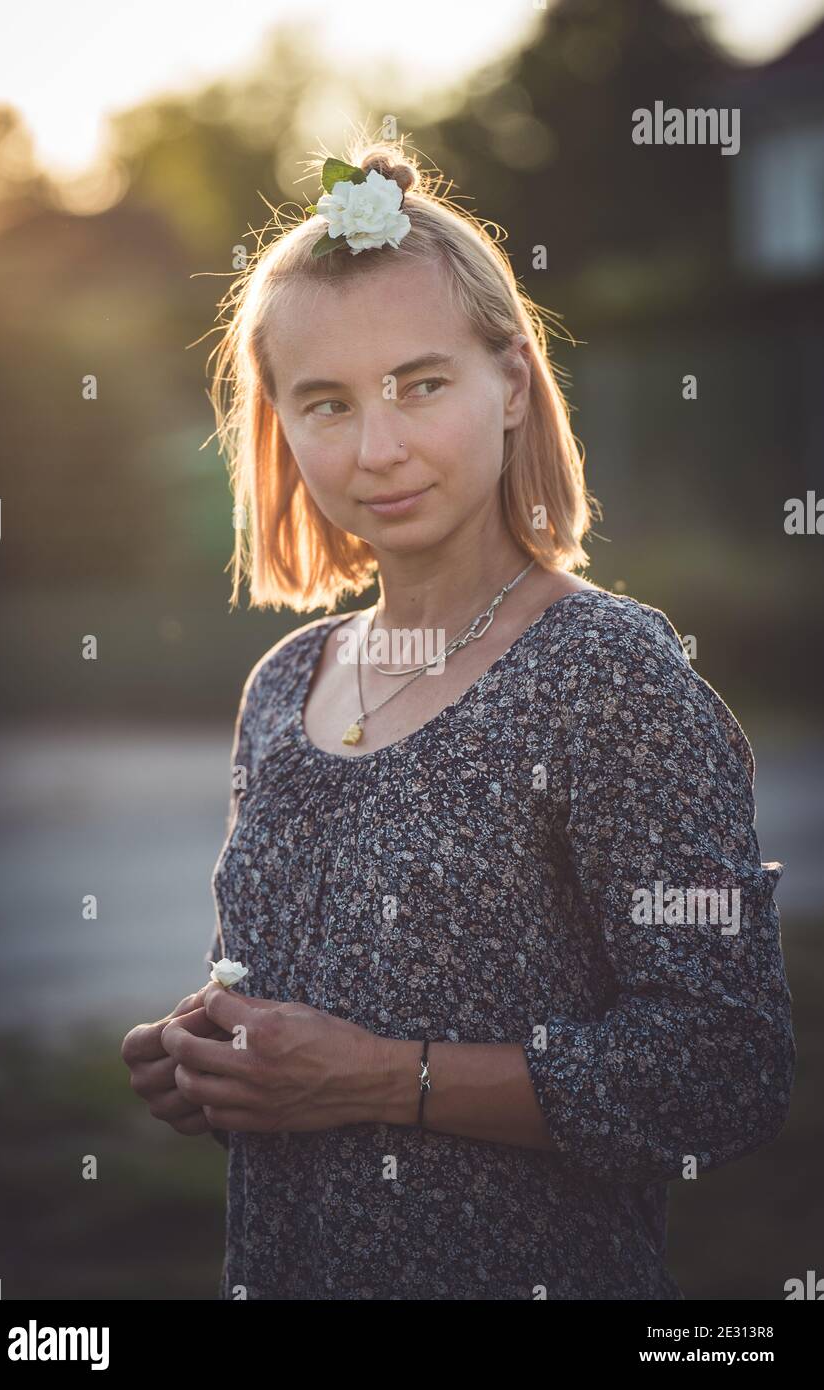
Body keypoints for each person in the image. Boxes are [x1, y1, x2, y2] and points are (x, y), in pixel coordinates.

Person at [121, 134, 796, 1300]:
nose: (376, 448)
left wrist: (382, 1078)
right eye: (324, 402)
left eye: (419, 385)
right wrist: (220, 1061)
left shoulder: (607, 675)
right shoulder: (284, 684)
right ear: (275, 423)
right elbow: (305, 1016)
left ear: (512, 384)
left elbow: (721, 1069)